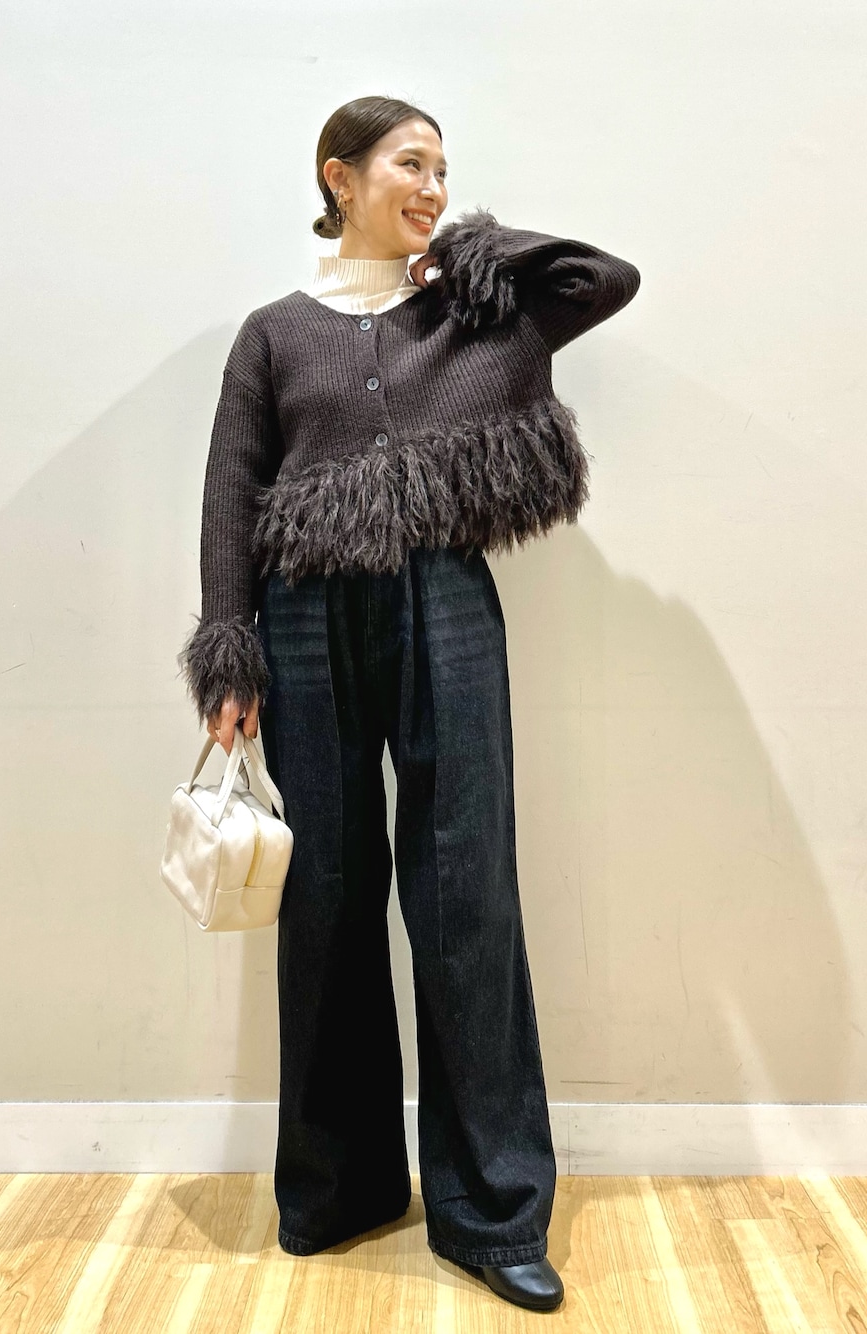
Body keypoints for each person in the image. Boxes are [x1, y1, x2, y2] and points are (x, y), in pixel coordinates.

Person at [178, 95, 640, 1314]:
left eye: (444, 167)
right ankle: (340, 1186)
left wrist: (472, 246)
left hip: (444, 597)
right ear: (339, 177)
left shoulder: (467, 313)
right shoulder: (274, 334)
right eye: (409, 164)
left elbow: (600, 279)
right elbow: (232, 490)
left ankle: (493, 1211)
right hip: (305, 618)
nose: (432, 184)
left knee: (465, 892)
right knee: (325, 897)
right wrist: (229, 654)